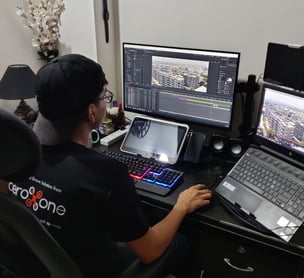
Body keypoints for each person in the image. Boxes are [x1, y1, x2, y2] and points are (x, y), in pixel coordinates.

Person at [7, 54, 212, 277]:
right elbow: (150, 252)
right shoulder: (105, 173)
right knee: (180, 242)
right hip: (89, 270)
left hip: (40, 265)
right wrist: (180, 207)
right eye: (104, 97)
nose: (106, 103)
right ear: (91, 111)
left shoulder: (16, 154)